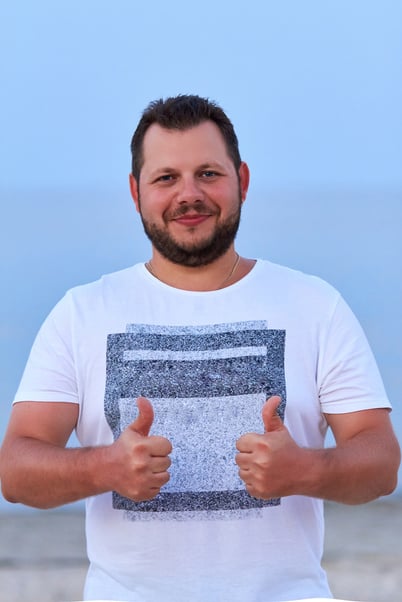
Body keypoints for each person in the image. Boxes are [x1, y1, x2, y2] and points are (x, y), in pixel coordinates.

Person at [1, 94, 400, 602]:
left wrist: (306, 470)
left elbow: (381, 461)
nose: (189, 194)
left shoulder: (315, 306)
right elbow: (15, 469)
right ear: (135, 192)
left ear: (243, 181)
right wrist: (105, 467)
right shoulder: (81, 313)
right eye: (166, 177)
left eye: (208, 174)